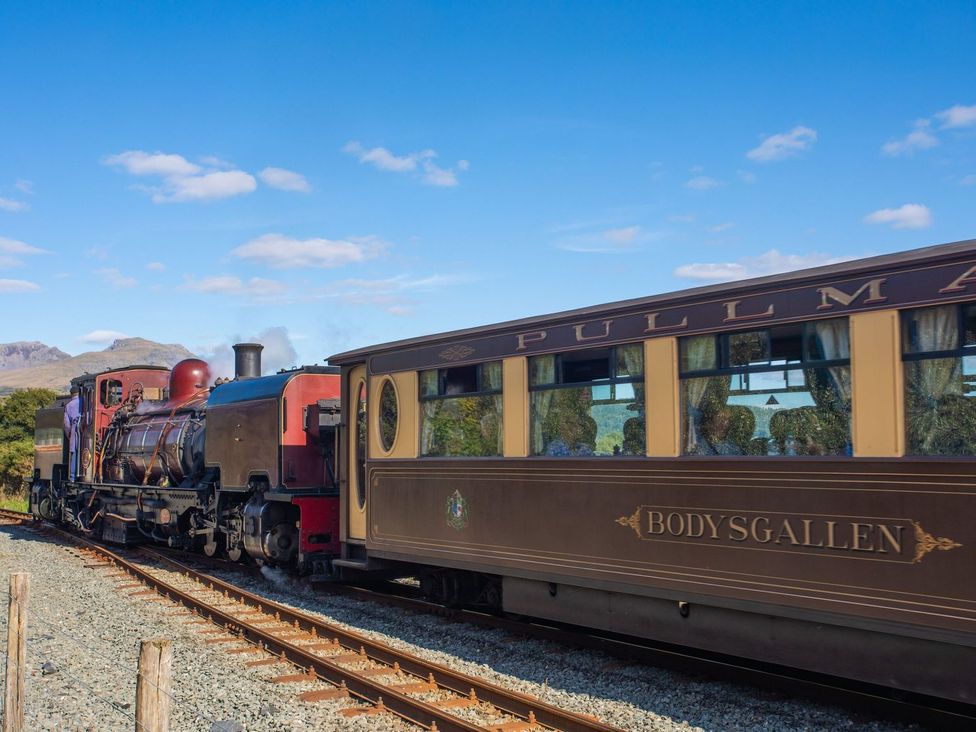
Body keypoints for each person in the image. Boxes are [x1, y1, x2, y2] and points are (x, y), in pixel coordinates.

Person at [63, 387, 82, 480]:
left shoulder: (69, 405)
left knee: (74, 452)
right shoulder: (86, 402)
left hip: (75, 430)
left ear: (72, 394)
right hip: (88, 429)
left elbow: (66, 425)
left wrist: (69, 435)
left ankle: (73, 477)